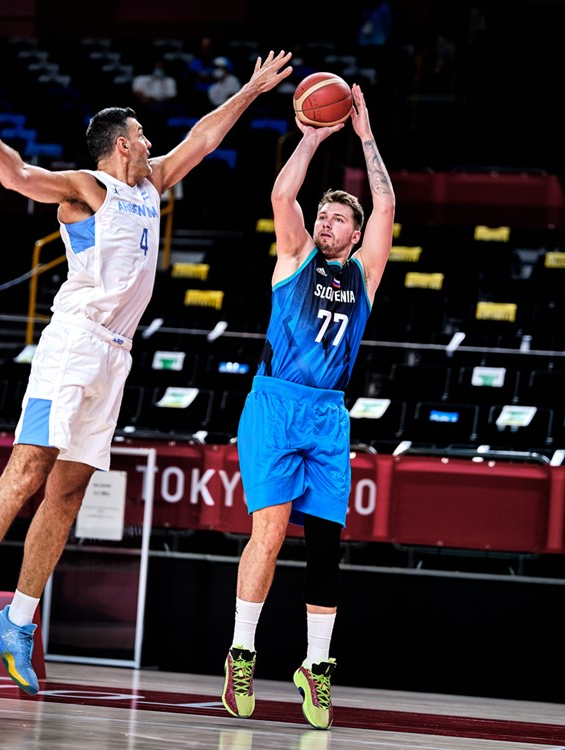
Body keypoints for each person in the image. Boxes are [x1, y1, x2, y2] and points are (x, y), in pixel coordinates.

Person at [0, 49, 294, 696]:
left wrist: (252, 91)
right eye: (144, 136)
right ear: (122, 144)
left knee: (67, 492)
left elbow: (203, 139)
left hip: (115, 355)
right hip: (73, 345)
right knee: (28, 471)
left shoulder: (150, 182)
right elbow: (19, 177)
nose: (153, 142)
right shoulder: (85, 188)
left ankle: (17, 619)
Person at [220, 83, 395, 730]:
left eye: (337, 218)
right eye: (322, 214)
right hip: (274, 403)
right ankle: (242, 652)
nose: (325, 221)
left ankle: (315, 669)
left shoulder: (365, 276)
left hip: (327, 414)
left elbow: (387, 207)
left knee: (325, 544)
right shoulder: (293, 257)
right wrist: (316, 135)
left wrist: (366, 135)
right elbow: (281, 196)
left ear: (353, 234)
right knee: (267, 534)